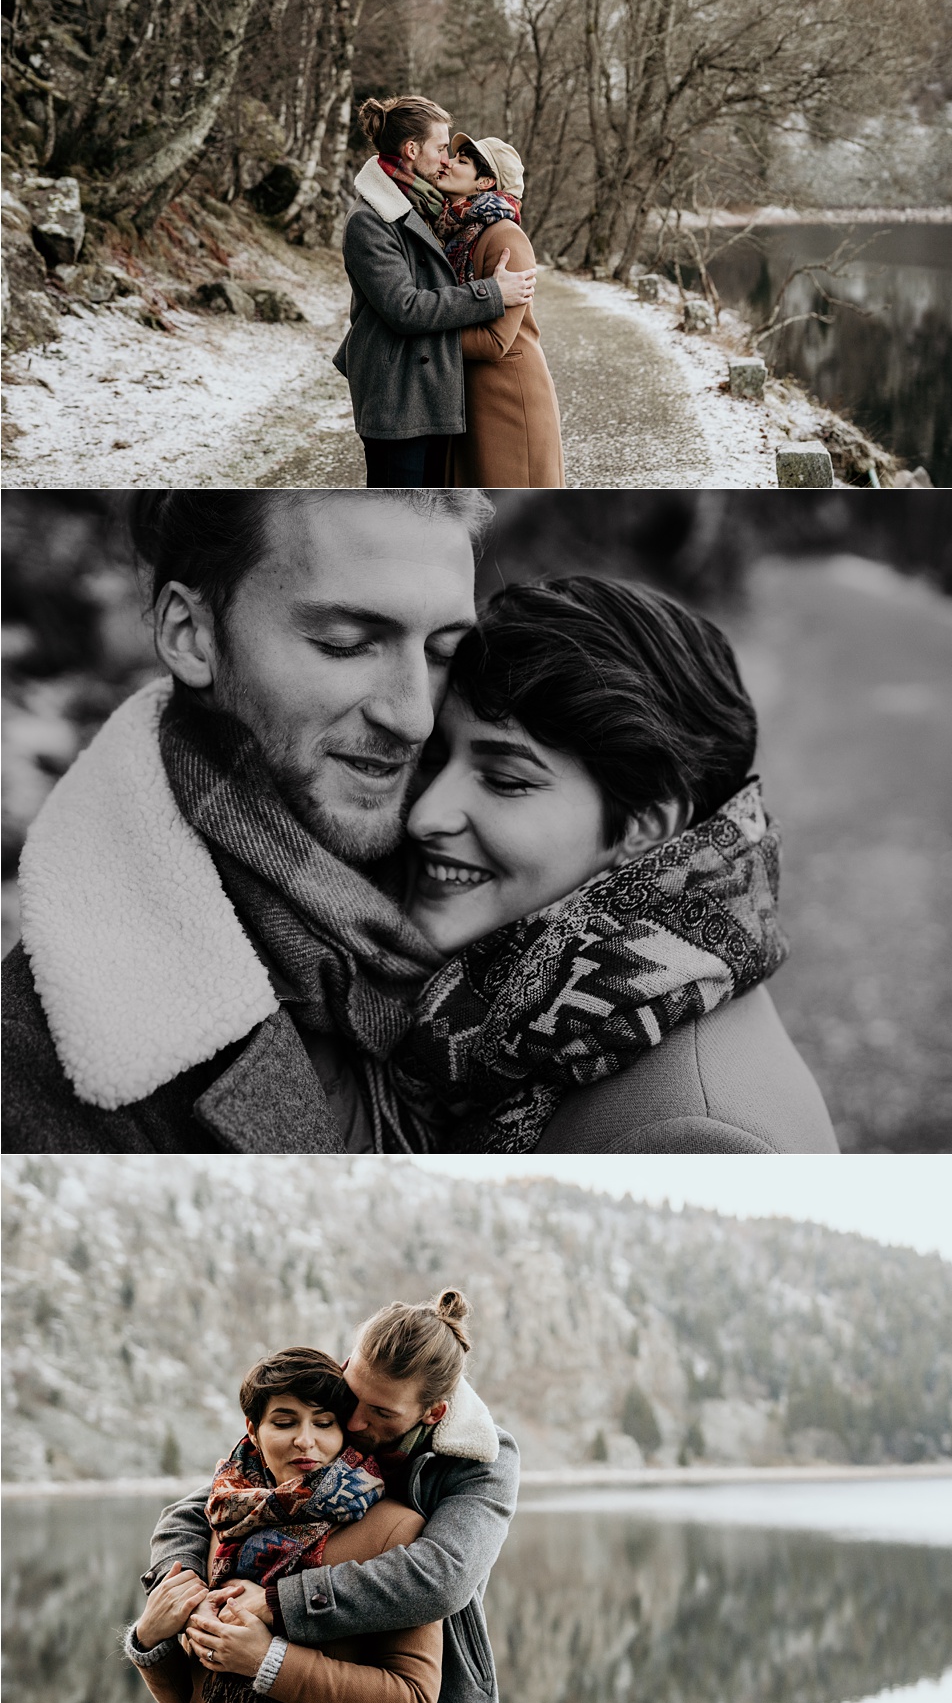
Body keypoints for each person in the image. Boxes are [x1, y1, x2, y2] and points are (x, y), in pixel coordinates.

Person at [2, 490, 836, 1157]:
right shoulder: (48, 1053)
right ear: (190, 633)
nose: (412, 719)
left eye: (442, 652)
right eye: (346, 641)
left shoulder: (484, 951)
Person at [394, 576, 839, 1153]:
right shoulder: (540, 1023)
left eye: (505, 781)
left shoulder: (699, 1142)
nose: (424, 816)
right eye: (434, 758)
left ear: (645, 827)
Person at [141, 1296, 519, 1703]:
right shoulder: (271, 1481)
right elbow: (191, 1513)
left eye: (381, 1412)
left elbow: (441, 1578)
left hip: (399, 1699)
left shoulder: (477, 1463)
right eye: (351, 1396)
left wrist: (275, 1607)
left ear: (433, 1413)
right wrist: (178, 1594)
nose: (355, 1422)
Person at [333, 95, 536, 488]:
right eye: (441, 148)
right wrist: (490, 293)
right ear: (412, 150)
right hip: (397, 397)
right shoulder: (370, 219)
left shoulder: (425, 205)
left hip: (427, 389)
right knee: (400, 519)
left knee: (435, 517)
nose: (447, 159)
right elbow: (405, 307)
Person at [438, 131, 565, 488]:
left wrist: (422, 337)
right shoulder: (457, 231)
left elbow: (496, 340)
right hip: (475, 397)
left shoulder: (505, 236)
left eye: (462, 161)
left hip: (509, 399)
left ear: (486, 182)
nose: (448, 161)